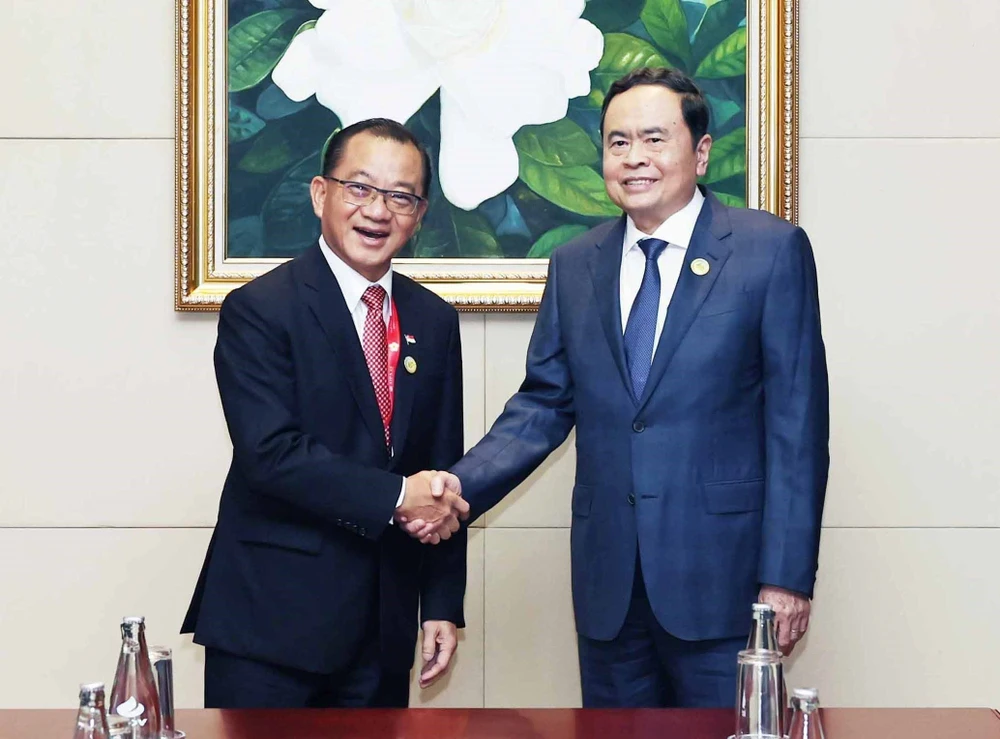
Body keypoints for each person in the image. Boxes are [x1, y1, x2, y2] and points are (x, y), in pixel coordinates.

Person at [408, 67, 829, 708]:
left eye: (655, 139)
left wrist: (787, 579)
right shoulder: (577, 263)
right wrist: (459, 487)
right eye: (617, 142)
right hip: (610, 587)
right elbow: (544, 403)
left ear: (701, 150)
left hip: (728, 585)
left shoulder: (769, 252)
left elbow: (798, 427)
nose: (634, 158)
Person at [181, 118, 471, 709]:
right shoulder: (259, 309)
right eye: (359, 188)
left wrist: (440, 605)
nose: (378, 211)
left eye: (401, 196)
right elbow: (271, 455)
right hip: (271, 626)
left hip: (382, 628)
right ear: (320, 194)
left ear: (419, 215)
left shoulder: (434, 320)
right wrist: (396, 498)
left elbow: (442, 473)